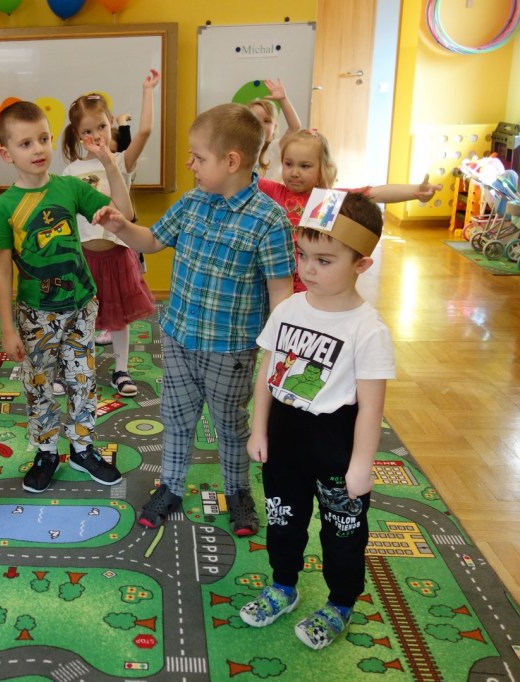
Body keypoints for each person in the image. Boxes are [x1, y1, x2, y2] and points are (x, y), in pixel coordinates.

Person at [94, 103, 296, 534]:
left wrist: (281, 352)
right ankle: (170, 486)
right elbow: (151, 241)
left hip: (231, 349)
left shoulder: (269, 219)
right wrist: (120, 226)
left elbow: (281, 291)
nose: (190, 164)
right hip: (180, 338)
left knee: (230, 425)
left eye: (198, 157)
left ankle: (238, 491)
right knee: (177, 417)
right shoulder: (191, 203)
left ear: (231, 161)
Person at [240, 190, 395, 650]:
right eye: (303, 255)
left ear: (361, 264)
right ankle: (283, 585)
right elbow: (267, 373)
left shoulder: (368, 329)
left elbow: (371, 408)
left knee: (342, 534)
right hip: (285, 435)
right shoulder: (289, 308)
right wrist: (259, 428)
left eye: (324, 260)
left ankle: (341, 602)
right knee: (283, 521)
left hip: (335, 442)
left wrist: (361, 465)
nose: (307, 269)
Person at [0, 101, 133, 494]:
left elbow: (124, 212)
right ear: (5, 153)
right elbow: (2, 272)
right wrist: (6, 329)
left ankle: (83, 449)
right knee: (39, 384)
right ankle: (47, 452)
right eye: (25, 143)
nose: (38, 149)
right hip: (36, 314)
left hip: (81, 305)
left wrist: (111, 164)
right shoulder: (3, 207)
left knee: (83, 379)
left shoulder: (69, 187)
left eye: (43, 139)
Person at [61, 69, 160, 398]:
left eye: (102, 127)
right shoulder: (71, 171)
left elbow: (145, 131)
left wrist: (147, 90)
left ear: (111, 125)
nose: (96, 135)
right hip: (84, 258)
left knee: (119, 318)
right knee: (83, 317)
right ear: (78, 135)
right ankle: (80, 367)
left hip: (118, 254)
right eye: (87, 131)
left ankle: (121, 369)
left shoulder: (120, 161)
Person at [258, 128, 441, 291]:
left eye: (304, 166)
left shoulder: (327, 199)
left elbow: (373, 193)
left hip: (311, 283)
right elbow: (245, 176)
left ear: (322, 169)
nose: (294, 172)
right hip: (277, 281)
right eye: (288, 164)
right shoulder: (274, 191)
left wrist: (415, 191)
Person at [247, 78, 302, 180]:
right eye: (255, 120)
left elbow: (295, 127)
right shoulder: (242, 150)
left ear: (274, 127)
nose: (260, 125)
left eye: (267, 121)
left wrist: (283, 100)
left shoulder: (276, 147)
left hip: (272, 191)